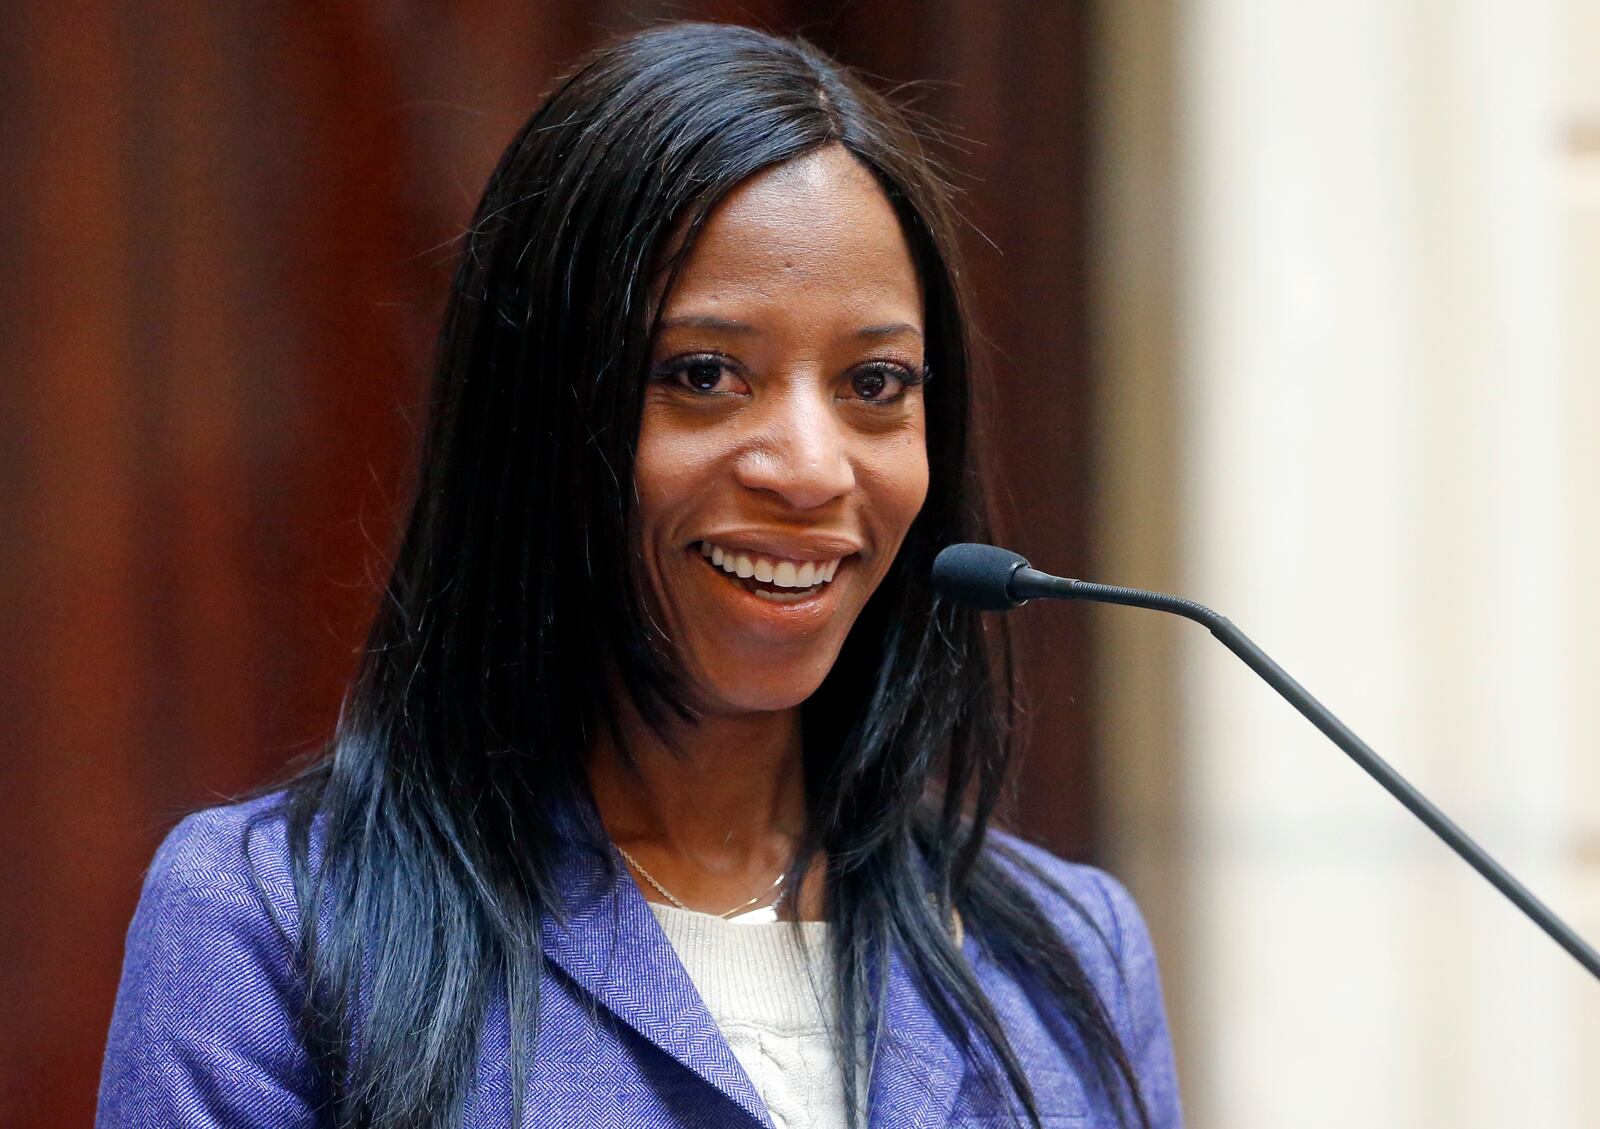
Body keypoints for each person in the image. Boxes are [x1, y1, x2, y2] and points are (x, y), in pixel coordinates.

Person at [97, 21, 1182, 1129]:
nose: (811, 469)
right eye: (705, 374)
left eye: (874, 382)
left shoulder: (1068, 951)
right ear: (541, 417)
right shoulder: (271, 920)